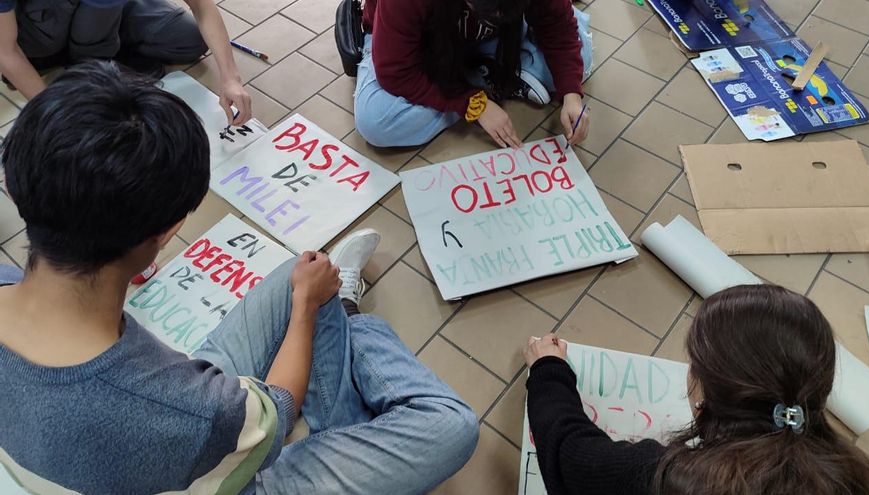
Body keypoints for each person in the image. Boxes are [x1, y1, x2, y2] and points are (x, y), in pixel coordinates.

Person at [0, 61, 478, 494]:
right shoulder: (187, 408)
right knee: (451, 426)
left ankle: (341, 399)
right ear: (166, 231)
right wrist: (305, 309)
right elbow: (275, 411)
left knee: (302, 273)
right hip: (217, 465)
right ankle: (350, 336)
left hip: (162, 430)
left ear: (16, 185)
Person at [523, 284, 869, 495]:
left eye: (695, 363)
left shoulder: (673, 479)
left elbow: (569, 452)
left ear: (708, 393)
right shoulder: (859, 477)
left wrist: (548, 369)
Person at [355, 0, 593, 149]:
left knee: (579, 60)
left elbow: (559, 27)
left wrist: (572, 97)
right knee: (376, 122)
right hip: (422, 48)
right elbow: (396, 71)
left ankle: (480, 74)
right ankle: (487, 79)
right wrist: (474, 105)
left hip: (494, 40)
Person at [0, 0, 252, 125]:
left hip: (105, 9)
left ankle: (97, 51)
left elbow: (201, 5)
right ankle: (79, 57)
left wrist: (231, 78)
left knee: (188, 39)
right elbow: (5, 51)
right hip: (37, 23)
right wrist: (56, 111)